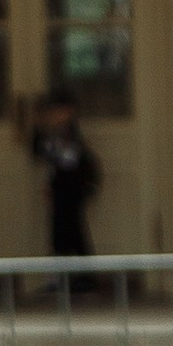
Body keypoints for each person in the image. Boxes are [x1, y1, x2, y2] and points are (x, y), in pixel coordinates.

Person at [31, 90, 101, 260]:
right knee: (60, 233)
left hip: (71, 188)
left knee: (73, 232)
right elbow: (39, 152)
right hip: (60, 189)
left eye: (58, 111)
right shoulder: (52, 133)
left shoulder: (70, 135)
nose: (54, 116)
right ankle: (62, 275)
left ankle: (82, 277)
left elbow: (69, 159)